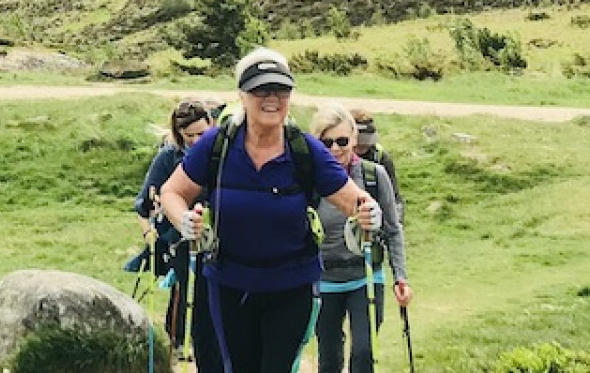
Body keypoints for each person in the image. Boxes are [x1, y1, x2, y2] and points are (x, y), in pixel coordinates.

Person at [158, 48, 382, 373]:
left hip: (291, 288)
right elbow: (172, 192)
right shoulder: (216, 145)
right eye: (260, 90)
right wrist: (183, 220)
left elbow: (355, 201)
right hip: (229, 286)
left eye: (280, 90)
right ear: (242, 95)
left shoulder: (304, 149)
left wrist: (368, 213)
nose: (271, 98)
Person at [313, 105, 411, 373]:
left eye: (342, 141)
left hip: (366, 276)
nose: (335, 149)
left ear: (354, 139)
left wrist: (400, 277)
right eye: (326, 142)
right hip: (324, 280)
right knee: (329, 358)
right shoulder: (310, 179)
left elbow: (392, 229)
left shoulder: (373, 176)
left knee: (364, 352)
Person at [132, 100, 215, 353]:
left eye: (202, 134)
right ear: (179, 134)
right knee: (187, 286)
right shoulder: (169, 157)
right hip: (178, 237)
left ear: (211, 125)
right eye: (189, 136)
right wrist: (149, 231)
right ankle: (178, 341)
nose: (196, 141)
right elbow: (144, 200)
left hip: (217, 235)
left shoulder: (221, 153)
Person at [351, 108, 405, 328]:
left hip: (373, 244)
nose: (363, 147)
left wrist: (391, 224)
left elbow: (396, 199)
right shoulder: (332, 157)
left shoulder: (380, 159)